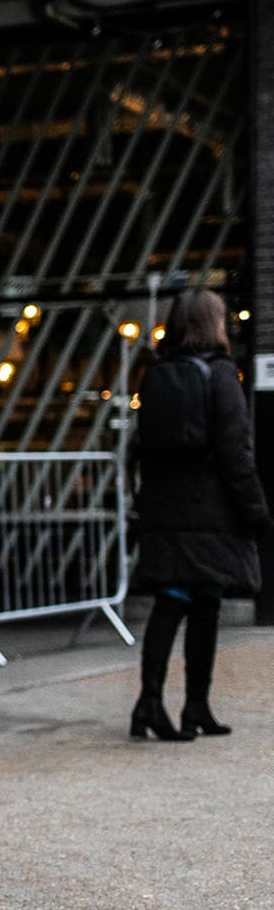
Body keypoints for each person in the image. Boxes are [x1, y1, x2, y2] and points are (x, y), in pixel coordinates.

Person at [131, 288, 270, 742]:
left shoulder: (155, 375)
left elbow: (141, 450)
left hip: (164, 510)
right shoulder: (220, 376)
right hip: (211, 512)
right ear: (215, 324)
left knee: (173, 602)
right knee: (204, 604)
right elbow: (236, 454)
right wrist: (257, 513)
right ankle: (194, 705)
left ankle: (152, 703)